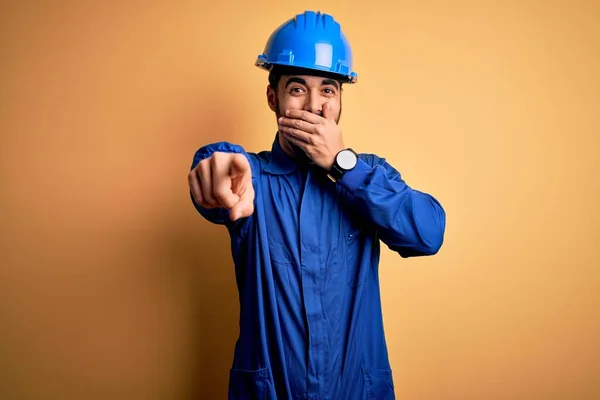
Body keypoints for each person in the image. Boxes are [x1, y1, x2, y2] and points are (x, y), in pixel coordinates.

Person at [188, 10, 446, 400]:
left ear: (340, 101)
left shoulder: (369, 175)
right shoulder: (252, 177)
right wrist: (215, 166)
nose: (314, 106)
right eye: (297, 88)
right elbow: (221, 172)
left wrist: (345, 166)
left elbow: (428, 233)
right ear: (272, 97)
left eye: (327, 89)